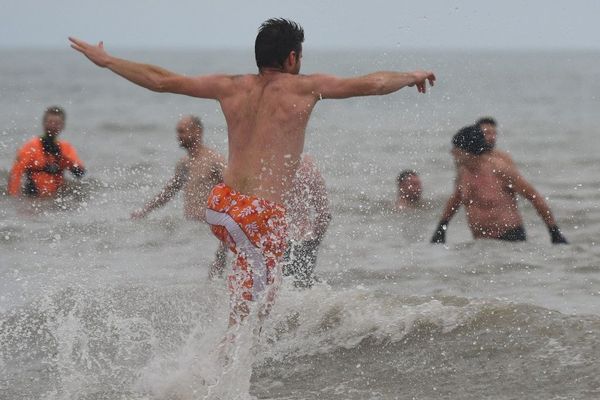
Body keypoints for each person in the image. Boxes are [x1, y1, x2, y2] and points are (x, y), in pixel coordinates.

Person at [69, 18, 435, 326]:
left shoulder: (230, 86)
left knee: (253, 290)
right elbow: (372, 83)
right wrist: (411, 75)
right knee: (254, 311)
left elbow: (161, 80)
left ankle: (228, 351)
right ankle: (221, 375)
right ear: (293, 57)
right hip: (258, 216)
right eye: (300, 56)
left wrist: (108, 61)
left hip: (220, 206)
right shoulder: (307, 88)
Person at [430, 125, 568, 244]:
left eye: (456, 149)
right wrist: (441, 228)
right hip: (480, 243)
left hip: (510, 239)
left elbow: (534, 197)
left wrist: (554, 232)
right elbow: (456, 199)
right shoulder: (463, 172)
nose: (452, 153)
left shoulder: (500, 170)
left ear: (469, 150)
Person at [130, 115, 228, 278]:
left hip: (208, 232)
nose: (178, 136)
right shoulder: (184, 163)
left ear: (197, 131)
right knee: (188, 274)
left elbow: (233, 188)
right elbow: (169, 192)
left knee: (211, 275)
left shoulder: (214, 160)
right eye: (177, 132)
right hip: (190, 230)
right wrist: (145, 210)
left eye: (182, 131)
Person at [8, 106, 85, 197]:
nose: (53, 126)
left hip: (57, 196)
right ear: (43, 123)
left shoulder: (66, 147)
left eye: (57, 123)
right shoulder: (31, 146)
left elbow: (80, 172)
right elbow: (16, 173)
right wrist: (14, 197)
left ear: (63, 125)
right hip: (33, 195)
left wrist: (65, 160)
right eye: (50, 122)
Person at [282, 154, 332, 288]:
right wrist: (315, 241)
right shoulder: (309, 166)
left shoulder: (269, 163)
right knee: (302, 287)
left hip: (276, 238)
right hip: (305, 238)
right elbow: (324, 214)